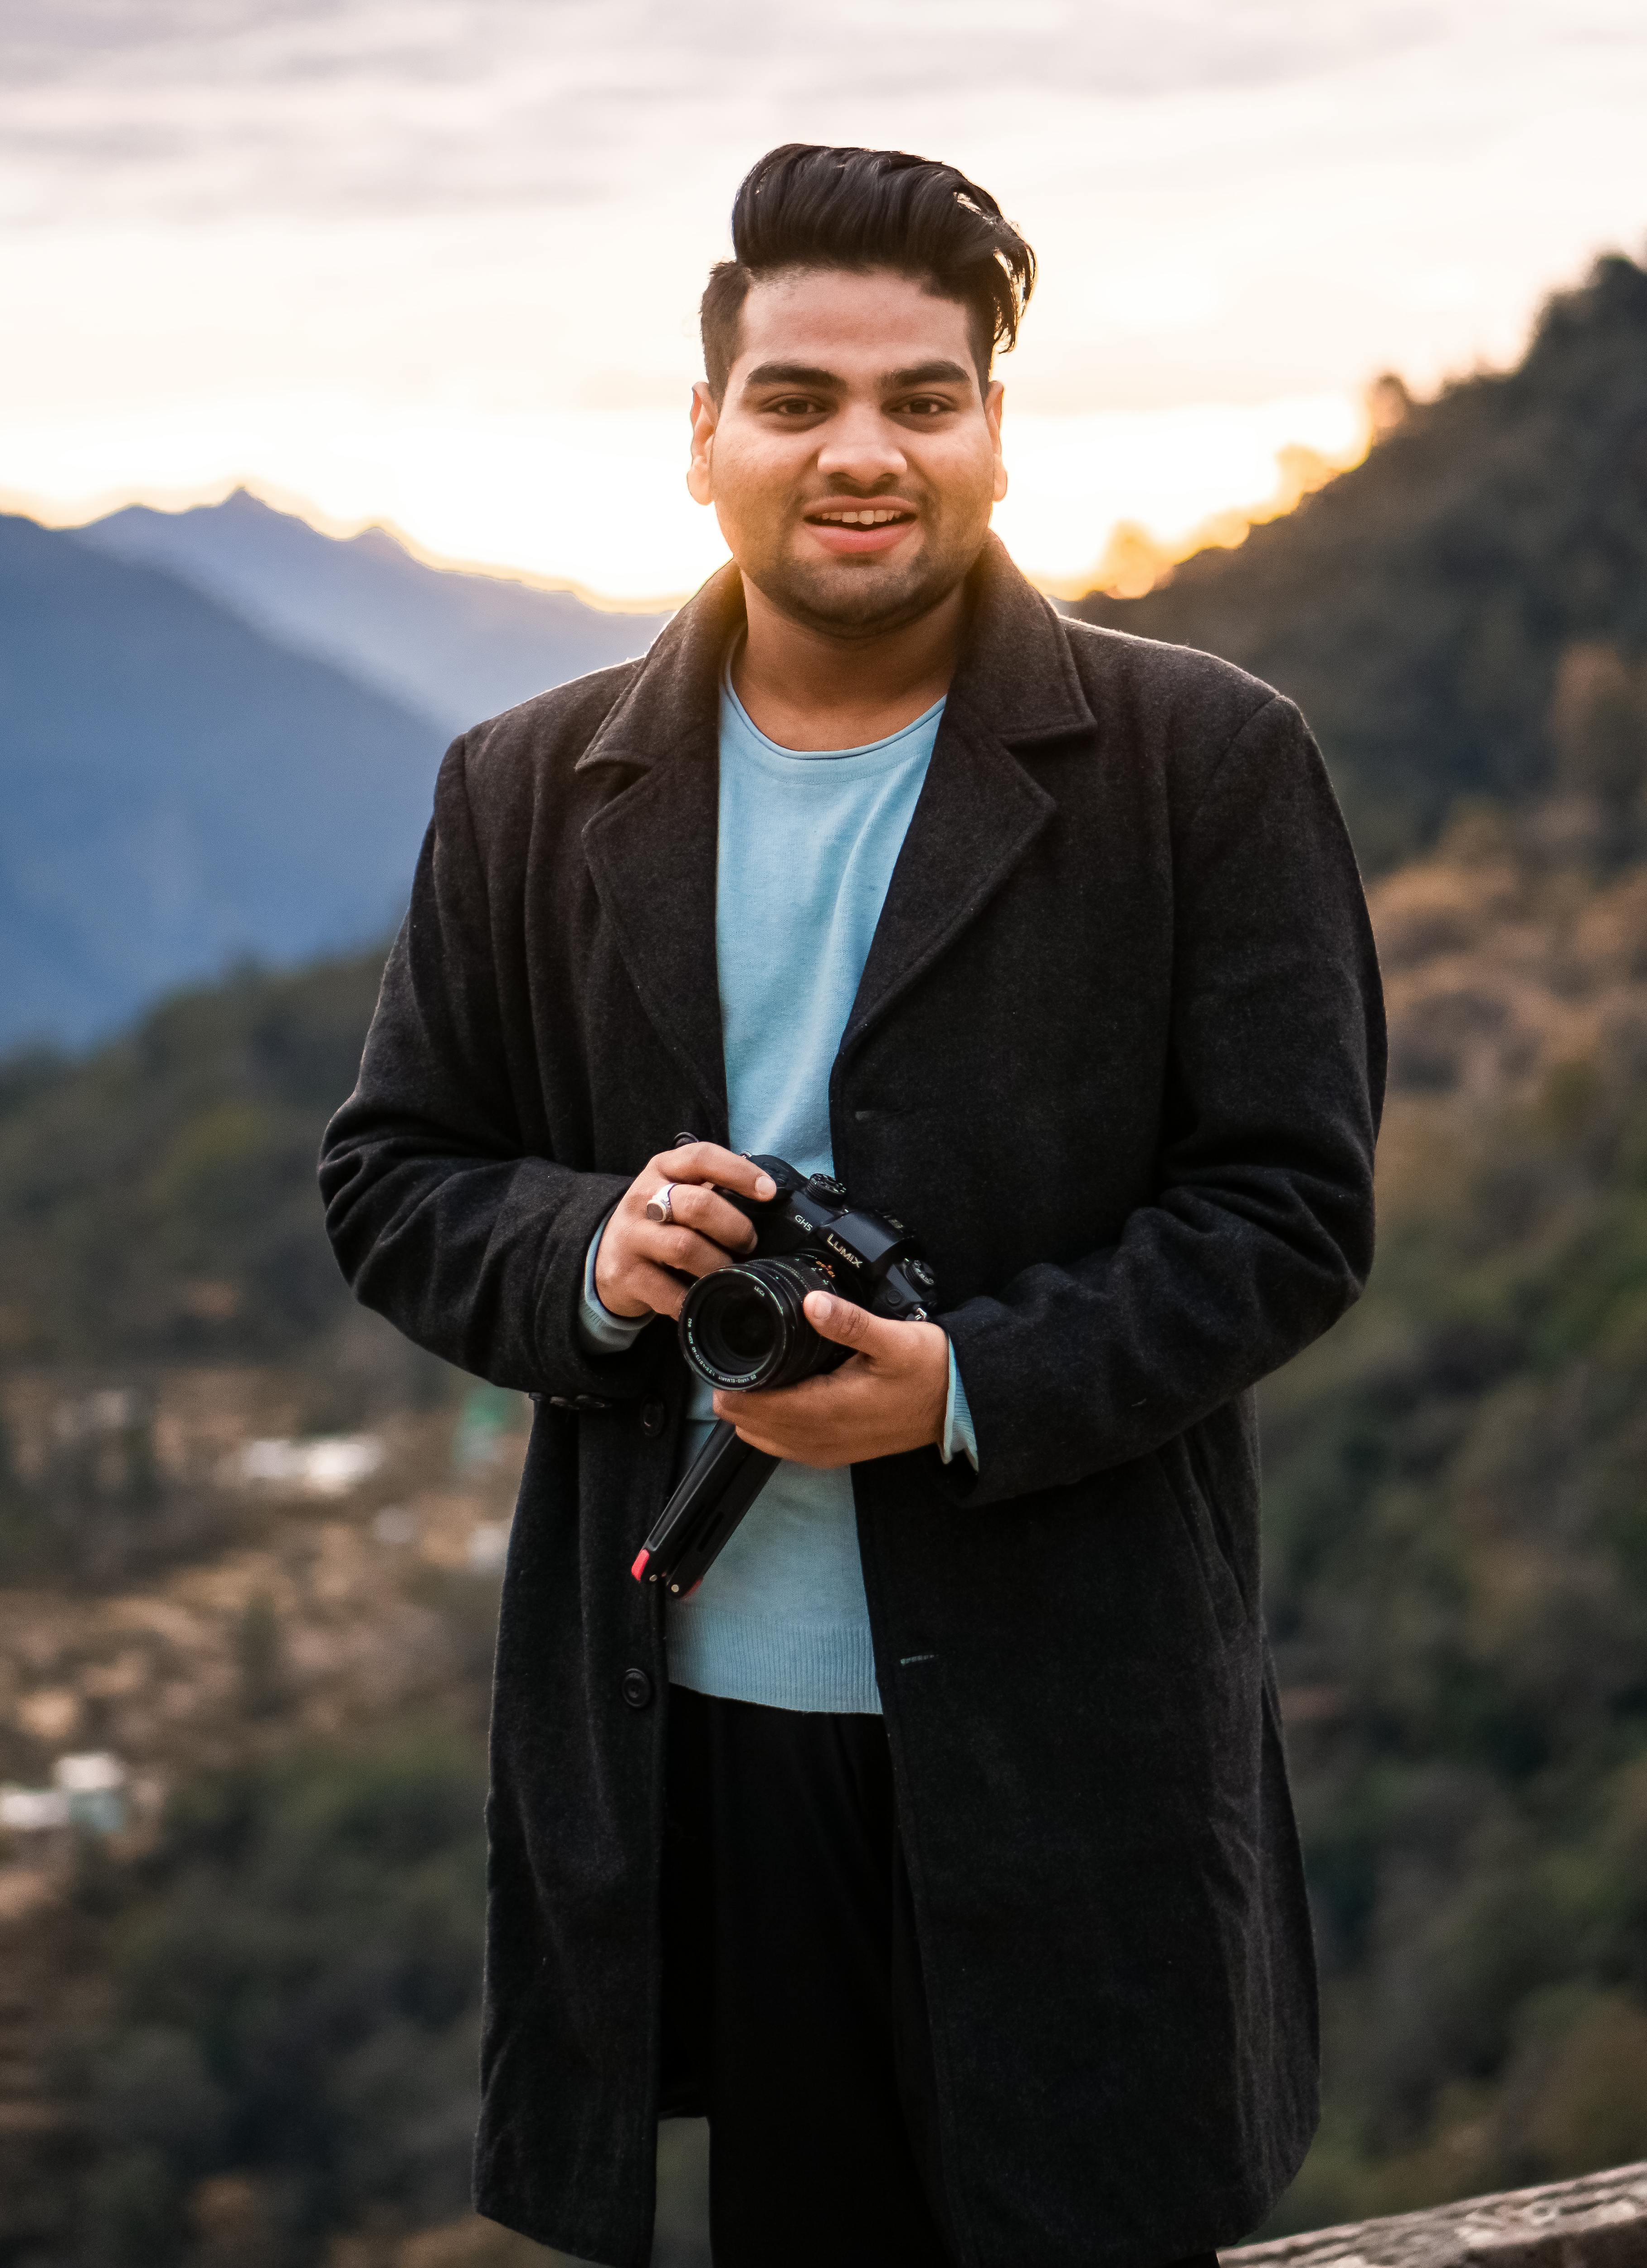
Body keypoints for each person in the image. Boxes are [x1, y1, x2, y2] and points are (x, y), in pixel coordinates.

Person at [321, 142, 1384, 2268]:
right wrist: (587, 1254)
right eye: (798, 397)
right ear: (702, 440)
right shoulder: (523, 789)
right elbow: (392, 1172)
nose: (861, 451)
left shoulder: (1205, 760)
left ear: (995, 430)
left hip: (1073, 1717)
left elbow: (1289, 1204)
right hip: (694, 1722)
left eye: (924, 393)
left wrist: (968, 1382)